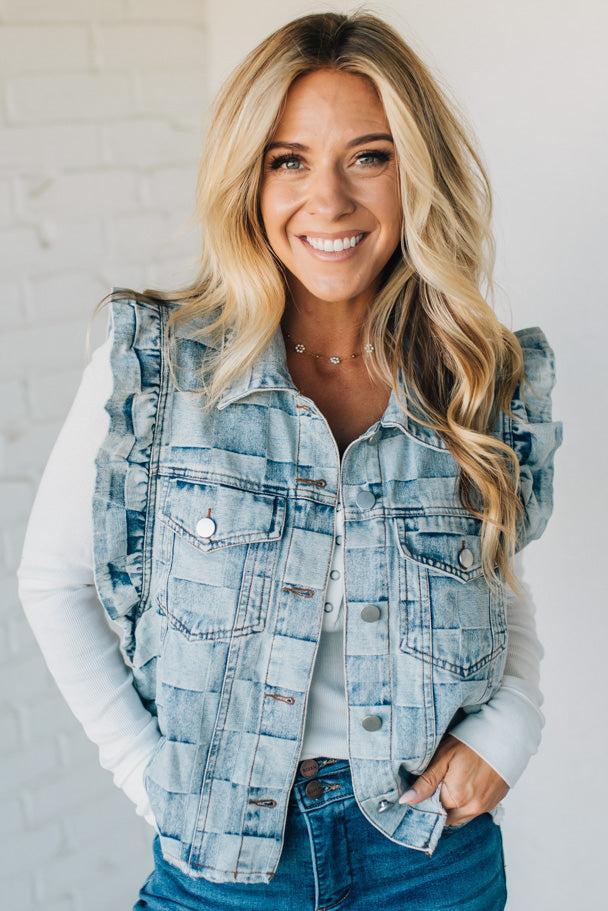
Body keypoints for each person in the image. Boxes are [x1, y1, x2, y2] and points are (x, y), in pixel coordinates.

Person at [16, 11, 563, 911]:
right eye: (289, 160)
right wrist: (151, 774)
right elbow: (52, 581)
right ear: (250, 178)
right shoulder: (159, 365)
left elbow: (495, 578)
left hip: (429, 857)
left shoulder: (476, 371)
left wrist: (510, 728)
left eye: (370, 156)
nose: (330, 201)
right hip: (222, 865)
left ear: (416, 172)